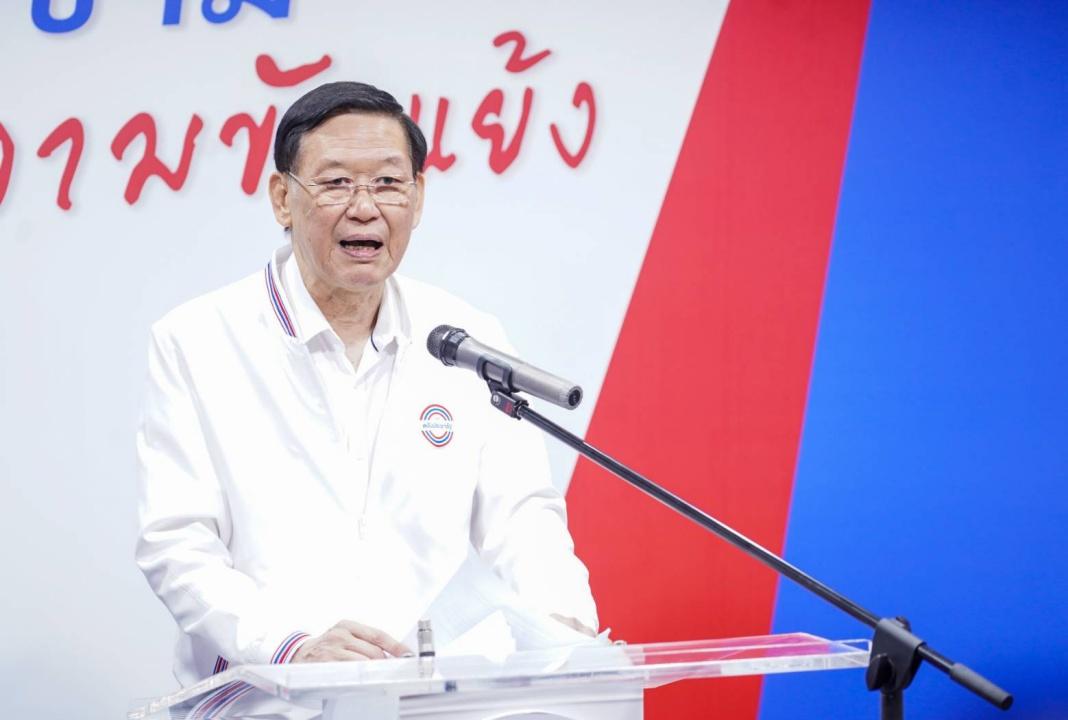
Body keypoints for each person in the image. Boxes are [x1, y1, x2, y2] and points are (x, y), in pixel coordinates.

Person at [135, 81, 597, 685]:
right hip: (267, 695)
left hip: (426, 697)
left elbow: (521, 517)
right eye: (335, 183)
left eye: (387, 183)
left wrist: (563, 627)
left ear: (418, 197)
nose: (364, 207)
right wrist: (289, 647)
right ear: (282, 198)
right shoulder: (198, 340)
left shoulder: (467, 341)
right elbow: (176, 542)